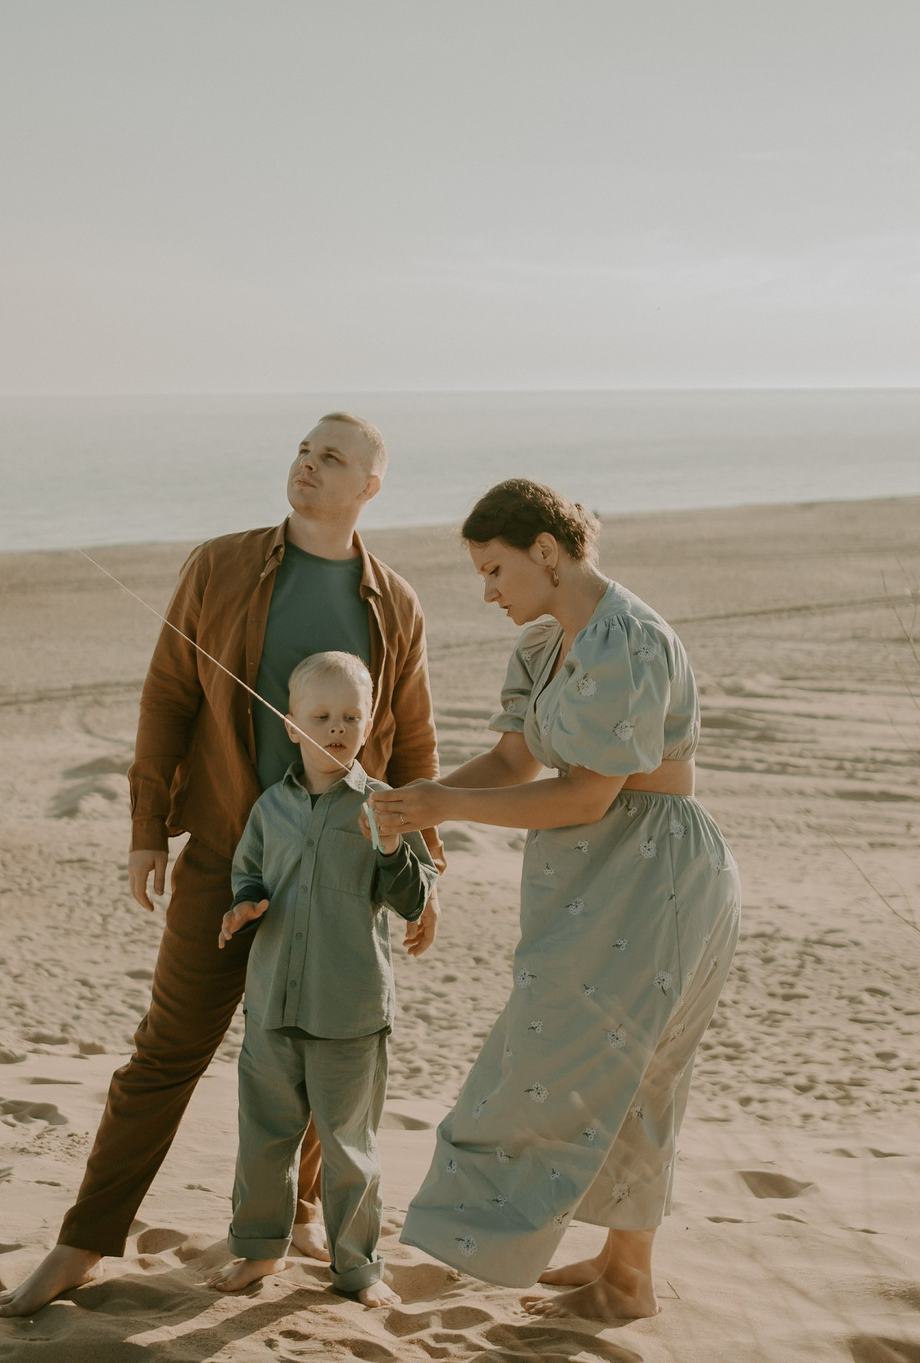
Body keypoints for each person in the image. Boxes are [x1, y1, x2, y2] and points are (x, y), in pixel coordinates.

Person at [0, 413, 443, 1316]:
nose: (307, 464)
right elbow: (167, 696)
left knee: (325, 1046)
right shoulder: (220, 565)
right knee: (165, 1053)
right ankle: (83, 1242)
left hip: (343, 869)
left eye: (332, 458)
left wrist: (426, 864)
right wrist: (146, 828)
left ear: (369, 486)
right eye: (304, 450)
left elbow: (413, 737)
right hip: (225, 857)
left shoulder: (394, 602)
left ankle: (302, 1214)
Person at [368, 478, 740, 1323]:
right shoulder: (544, 646)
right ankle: (622, 1268)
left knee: (564, 1064)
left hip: (655, 872)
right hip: (588, 879)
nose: (488, 592)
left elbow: (586, 795)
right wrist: (419, 801)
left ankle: (589, 1271)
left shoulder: (628, 639)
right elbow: (513, 765)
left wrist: (446, 808)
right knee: (621, 1072)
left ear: (546, 550)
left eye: (495, 570)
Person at [205, 651, 437, 1308]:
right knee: (264, 1139)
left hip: (350, 1010)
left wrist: (390, 848)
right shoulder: (271, 807)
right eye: (321, 716)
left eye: (350, 717)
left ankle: (359, 1269)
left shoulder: (384, 804)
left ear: (369, 724)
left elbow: (415, 898)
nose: (336, 727)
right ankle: (259, 1250)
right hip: (272, 1003)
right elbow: (249, 871)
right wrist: (244, 903)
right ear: (291, 724)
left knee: (349, 1150)